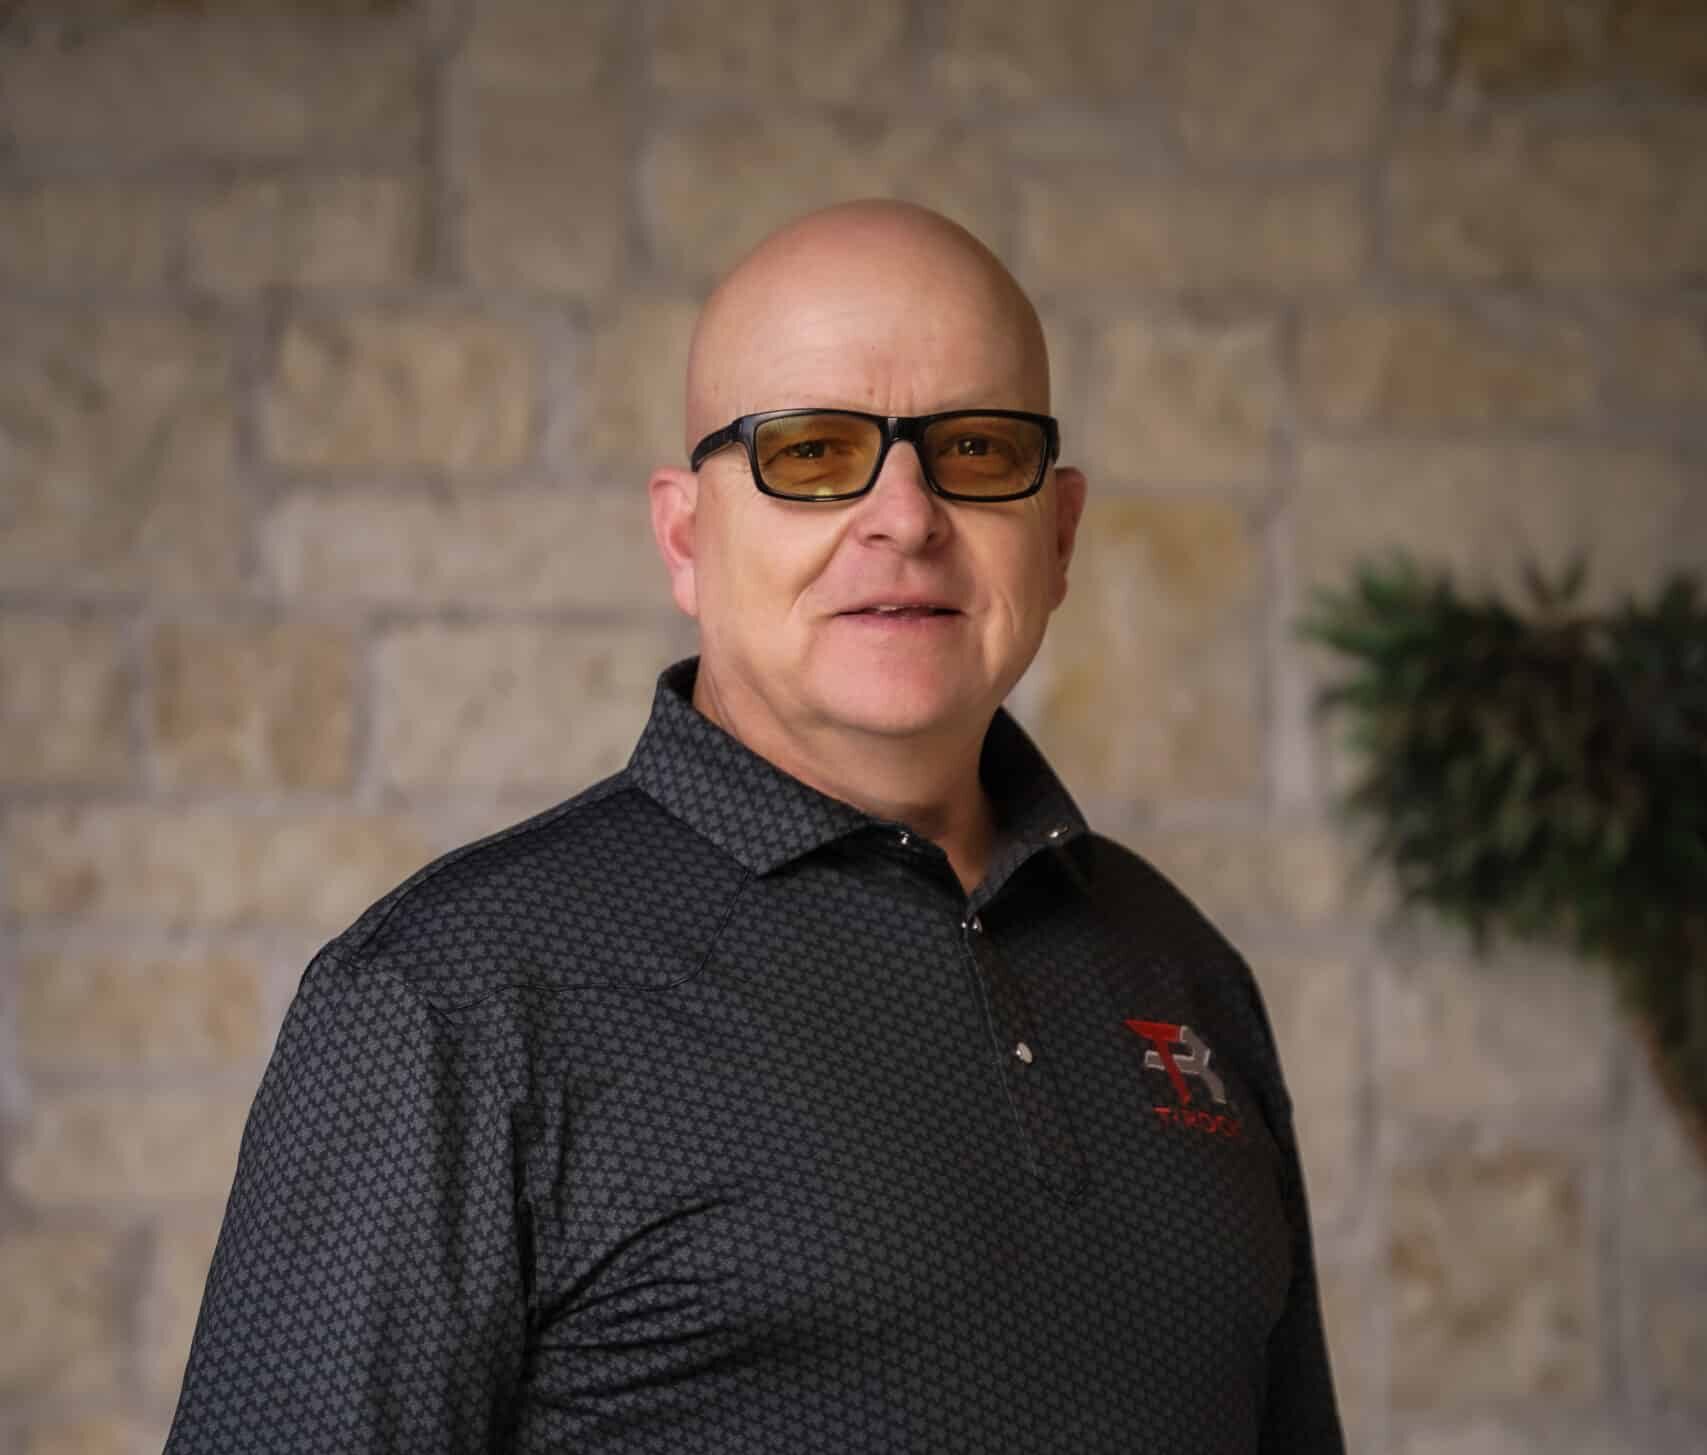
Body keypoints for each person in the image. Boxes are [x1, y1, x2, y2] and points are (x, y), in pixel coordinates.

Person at [164, 200, 1344, 1453]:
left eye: (979, 451)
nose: (905, 517)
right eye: (815, 452)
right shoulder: (450, 1002)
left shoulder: (1181, 968)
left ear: (1056, 536)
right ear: (685, 536)